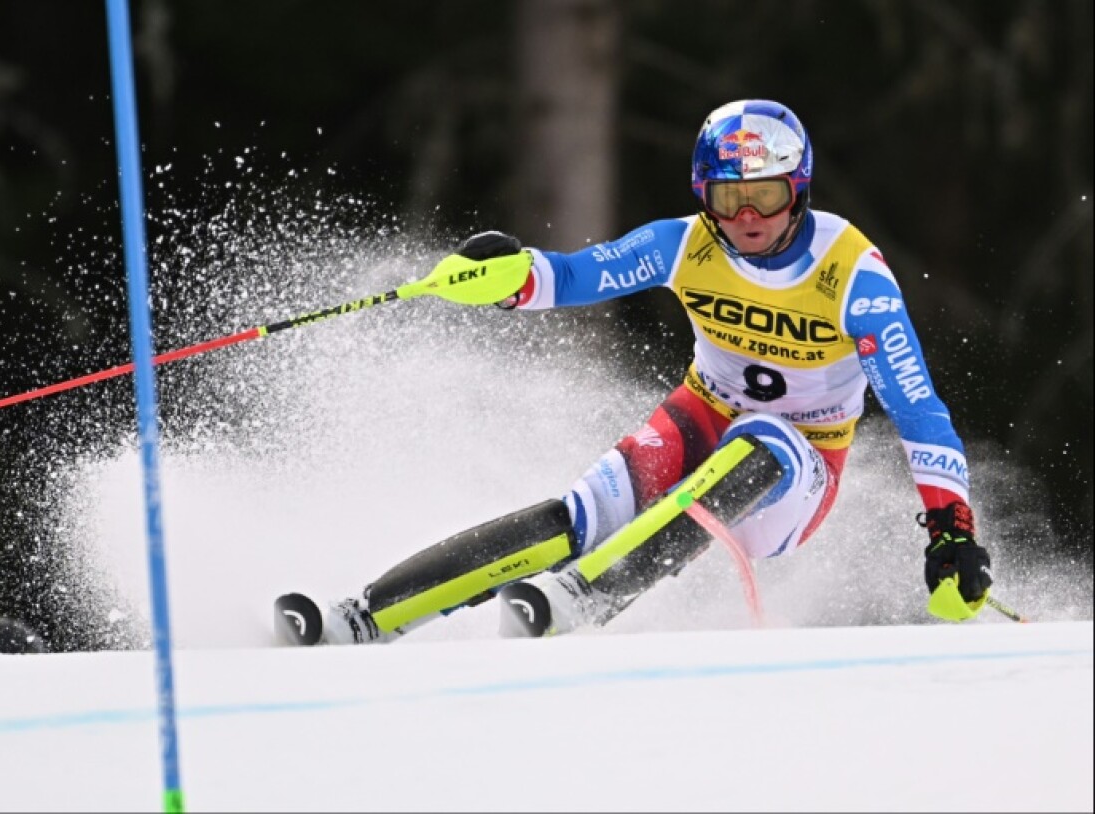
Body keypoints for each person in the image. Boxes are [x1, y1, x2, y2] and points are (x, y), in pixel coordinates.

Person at [274, 98, 993, 646]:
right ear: (702, 194)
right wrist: (509, 277)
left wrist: (950, 531)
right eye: (726, 196)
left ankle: (589, 596)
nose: (746, 216)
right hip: (699, 418)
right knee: (580, 514)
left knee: (768, 440)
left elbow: (918, 407)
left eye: (765, 195)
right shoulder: (683, 245)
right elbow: (575, 274)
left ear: (797, 188)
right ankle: (362, 618)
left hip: (797, 471)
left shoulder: (852, 273)